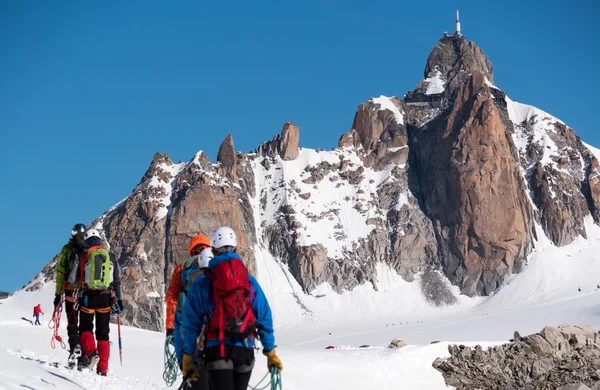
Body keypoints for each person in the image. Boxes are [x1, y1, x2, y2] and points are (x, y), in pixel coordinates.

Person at [181, 226, 283, 390]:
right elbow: (264, 316)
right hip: (245, 350)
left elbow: (190, 323)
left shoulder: (203, 282)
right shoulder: (248, 281)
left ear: (213, 251)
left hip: (217, 350)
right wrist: (270, 351)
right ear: (235, 248)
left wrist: (188, 356)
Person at [165, 235, 211, 390]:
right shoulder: (217, 265)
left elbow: (172, 298)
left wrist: (170, 327)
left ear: (191, 250)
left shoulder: (182, 268)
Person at [77, 228, 123, 376]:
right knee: (103, 333)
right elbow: (116, 281)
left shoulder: (85, 256)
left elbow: (79, 278)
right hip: (106, 298)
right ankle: (102, 368)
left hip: (88, 297)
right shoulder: (110, 256)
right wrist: (119, 300)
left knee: (85, 328)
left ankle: (91, 352)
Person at [53, 223, 88, 364]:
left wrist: (57, 295)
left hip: (69, 290)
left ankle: (74, 347)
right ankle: (85, 353)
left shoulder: (67, 249)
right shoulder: (88, 250)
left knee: (72, 320)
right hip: (85, 291)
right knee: (86, 323)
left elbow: (61, 273)